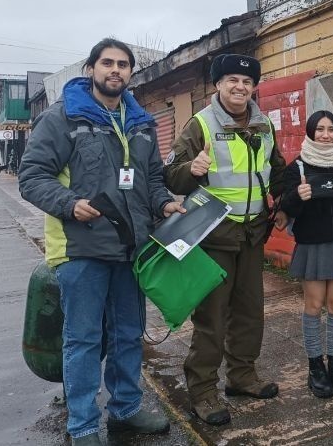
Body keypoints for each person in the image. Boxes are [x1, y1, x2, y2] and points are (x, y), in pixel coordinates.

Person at [19, 38, 182, 445]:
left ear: (130, 73)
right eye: (107, 63)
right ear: (91, 69)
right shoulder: (63, 118)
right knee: (83, 339)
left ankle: (125, 409)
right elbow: (32, 175)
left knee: (128, 333)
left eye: (123, 64)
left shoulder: (141, 122)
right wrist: (70, 204)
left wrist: (163, 206)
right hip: (82, 250)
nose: (115, 70)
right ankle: (83, 424)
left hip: (131, 249)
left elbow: (153, 181)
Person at [164, 53, 286, 426]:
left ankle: (242, 376)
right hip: (214, 235)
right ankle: (202, 391)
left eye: (247, 82)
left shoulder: (264, 125)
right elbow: (171, 176)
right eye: (232, 80)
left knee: (250, 313)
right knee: (212, 319)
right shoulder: (200, 125)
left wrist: (282, 204)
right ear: (217, 85)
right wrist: (191, 169)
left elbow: (276, 169)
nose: (240, 87)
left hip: (252, 234)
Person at [278, 110, 333, 398]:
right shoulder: (298, 168)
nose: (325, 134)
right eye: (320, 129)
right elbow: (286, 208)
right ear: (310, 132)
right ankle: (316, 367)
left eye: (331, 129)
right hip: (312, 244)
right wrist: (297, 197)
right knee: (314, 305)